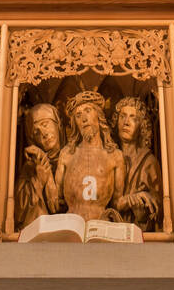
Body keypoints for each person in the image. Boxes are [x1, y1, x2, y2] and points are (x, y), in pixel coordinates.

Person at [56, 90, 125, 222]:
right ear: (75, 123)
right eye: (78, 115)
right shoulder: (66, 155)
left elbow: (117, 203)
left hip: (100, 226)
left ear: (98, 115)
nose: (83, 118)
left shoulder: (115, 156)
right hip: (72, 226)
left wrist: (134, 199)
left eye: (88, 111)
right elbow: (56, 202)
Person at [113, 96, 161, 230]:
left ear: (142, 126)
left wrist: (143, 209)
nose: (126, 122)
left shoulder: (149, 162)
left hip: (139, 231)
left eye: (133, 118)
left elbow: (159, 207)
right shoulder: (108, 156)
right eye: (122, 116)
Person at [15, 102, 62, 228]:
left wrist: (50, 180)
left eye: (45, 125)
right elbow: (19, 212)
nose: (44, 134)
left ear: (58, 124)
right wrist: (39, 181)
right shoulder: (31, 167)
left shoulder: (73, 156)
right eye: (36, 132)